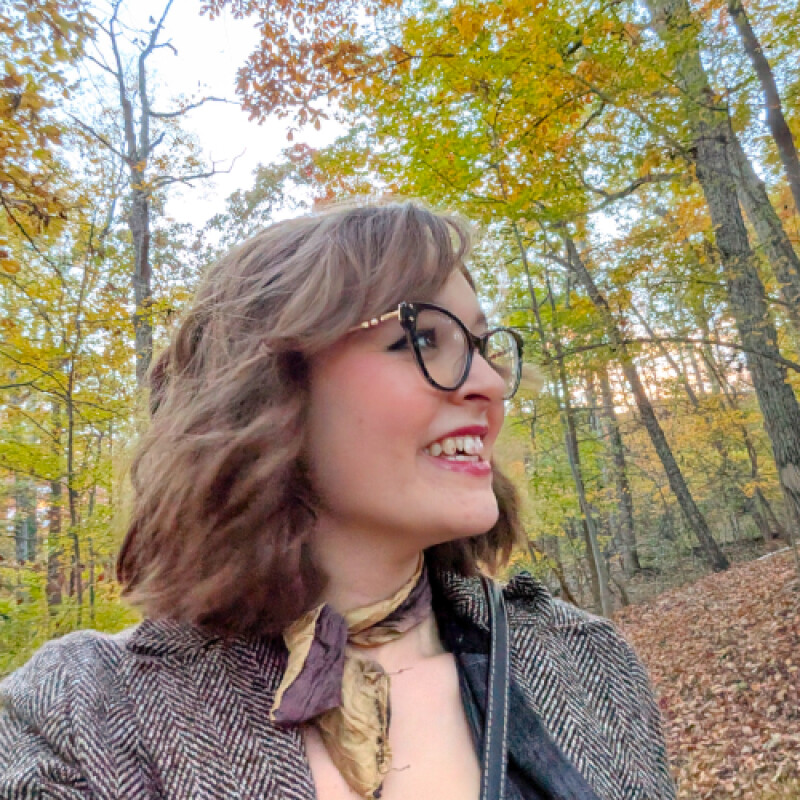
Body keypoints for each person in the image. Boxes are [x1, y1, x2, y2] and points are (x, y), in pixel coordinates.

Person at [0, 201, 675, 800]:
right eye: (422, 338)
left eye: (480, 346)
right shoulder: (81, 714)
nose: (491, 385)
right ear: (265, 388)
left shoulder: (586, 660)